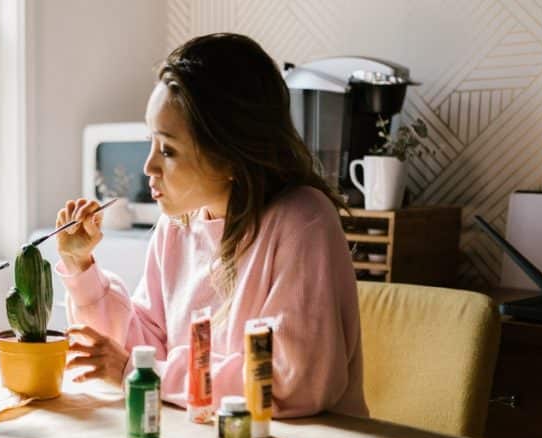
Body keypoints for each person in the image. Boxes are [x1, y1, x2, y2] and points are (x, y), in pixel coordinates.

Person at [55, 34, 368, 418]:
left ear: (230, 155)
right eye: (150, 142)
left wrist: (144, 373)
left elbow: (291, 381)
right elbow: (143, 347)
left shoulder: (303, 221)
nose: (148, 167)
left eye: (168, 150)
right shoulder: (178, 226)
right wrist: (83, 269)